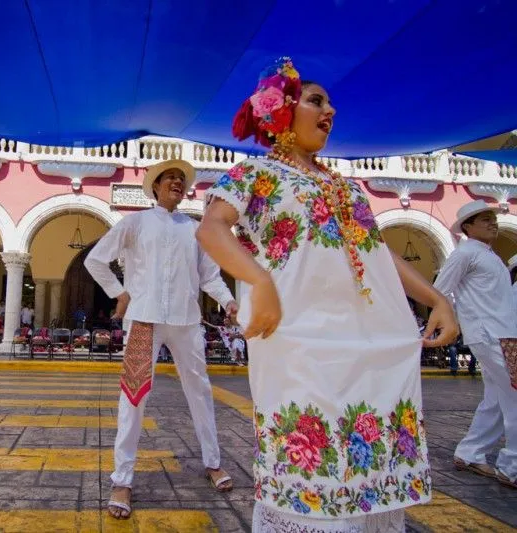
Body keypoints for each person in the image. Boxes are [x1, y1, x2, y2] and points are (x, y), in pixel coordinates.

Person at [196, 57, 458, 530]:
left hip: (367, 338)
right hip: (298, 335)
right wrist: (259, 280)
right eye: (317, 100)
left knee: (365, 465)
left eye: (331, 103)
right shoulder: (256, 173)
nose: (330, 110)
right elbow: (212, 229)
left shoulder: (348, 188)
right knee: (310, 462)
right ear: (281, 112)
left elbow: (378, 252)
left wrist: (437, 298)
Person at [85, 158, 239, 519]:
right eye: (169, 178)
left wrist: (229, 301)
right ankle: (122, 480)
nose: (176, 183)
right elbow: (96, 260)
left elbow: (209, 276)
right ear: (154, 186)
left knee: (199, 390)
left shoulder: (195, 230)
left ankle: (213, 462)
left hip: (186, 321)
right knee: (134, 397)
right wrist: (119, 293)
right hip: (143, 321)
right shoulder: (134, 223)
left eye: (181, 180)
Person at [434, 200, 517, 489]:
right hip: (491, 334)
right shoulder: (466, 253)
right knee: (514, 396)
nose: (492, 223)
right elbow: (438, 292)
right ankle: (512, 466)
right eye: (483, 219)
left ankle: (471, 452)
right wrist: (447, 323)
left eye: (492, 218)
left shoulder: (487, 255)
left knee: (496, 399)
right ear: (467, 227)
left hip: (501, 333)